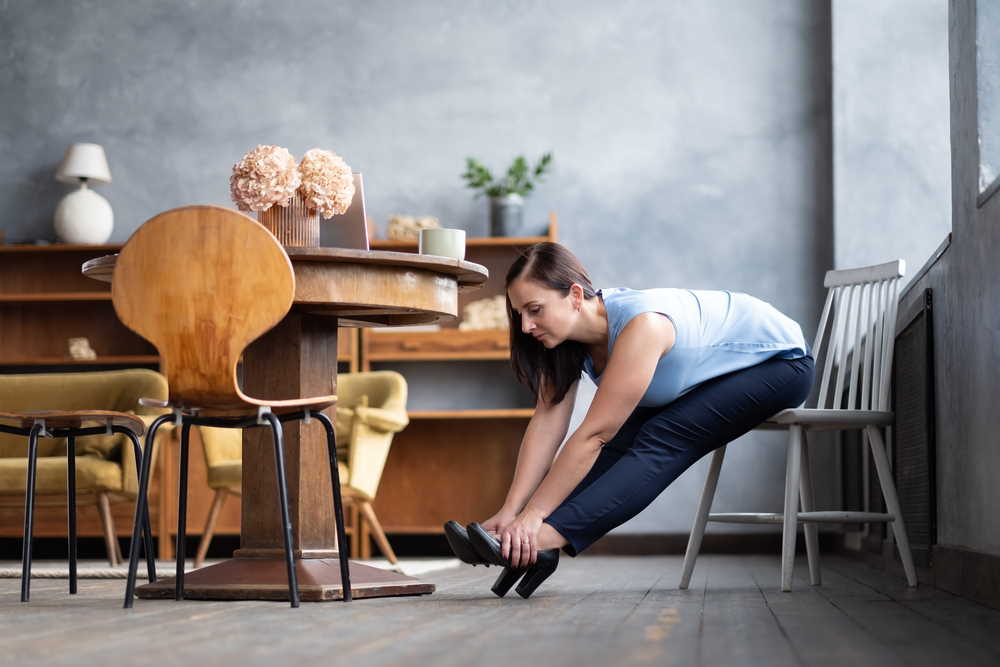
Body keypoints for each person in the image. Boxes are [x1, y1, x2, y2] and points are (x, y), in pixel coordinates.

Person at [445, 242, 814, 598]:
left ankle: (542, 541)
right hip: (706, 379)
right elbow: (547, 424)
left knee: (661, 437)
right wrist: (512, 512)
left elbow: (592, 435)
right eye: (519, 314)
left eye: (535, 309)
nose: (526, 326)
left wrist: (534, 518)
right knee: (621, 440)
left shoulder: (643, 325)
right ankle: (534, 542)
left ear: (575, 296)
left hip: (779, 364)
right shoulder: (563, 343)